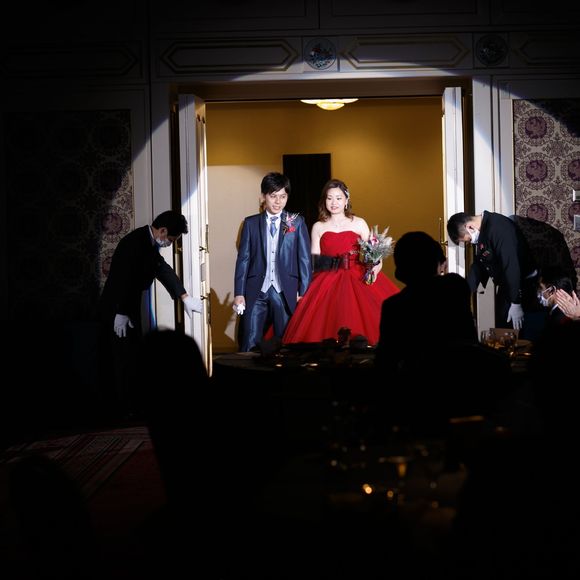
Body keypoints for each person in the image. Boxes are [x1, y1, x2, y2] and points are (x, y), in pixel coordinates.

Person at [98, 210, 202, 416]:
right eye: (171, 239)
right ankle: (122, 410)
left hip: (129, 305)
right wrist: (121, 312)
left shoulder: (149, 243)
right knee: (122, 358)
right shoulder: (135, 243)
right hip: (118, 308)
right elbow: (123, 278)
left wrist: (184, 297)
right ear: (162, 231)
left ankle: (132, 406)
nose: (170, 243)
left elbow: (162, 269)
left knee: (132, 355)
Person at [282, 178, 399, 345]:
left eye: (338, 198)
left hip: (357, 276)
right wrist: (302, 287)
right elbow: (313, 262)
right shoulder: (318, 226)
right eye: (329, 198)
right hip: (326, 278)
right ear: (324, 201)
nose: (334, 202)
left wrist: (374, 269)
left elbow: (374, 256)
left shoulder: (359, 223)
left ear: (346, 200)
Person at [233, 172, 312, 352]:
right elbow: (243, 259)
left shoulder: (297, 222)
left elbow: (305, 260)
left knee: (284, 343)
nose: (278, 202)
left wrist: (303, 292)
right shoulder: (250, 223)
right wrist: (239, 292)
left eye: (283, 197)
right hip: (256, 290)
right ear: (263, 196)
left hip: (285, 291)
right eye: (273, 196)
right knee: (250, 339)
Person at [447, 211, 537, 335]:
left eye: (468, 240)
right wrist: (463, 293)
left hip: (522, 286)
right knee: (502, 330)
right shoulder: (483, 232)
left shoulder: (499, 228)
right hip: (506, 286)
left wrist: (515, 302)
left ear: (470, 227)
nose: (471, 243)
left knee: (516, 332)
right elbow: (479, 265)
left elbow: (511, 265)